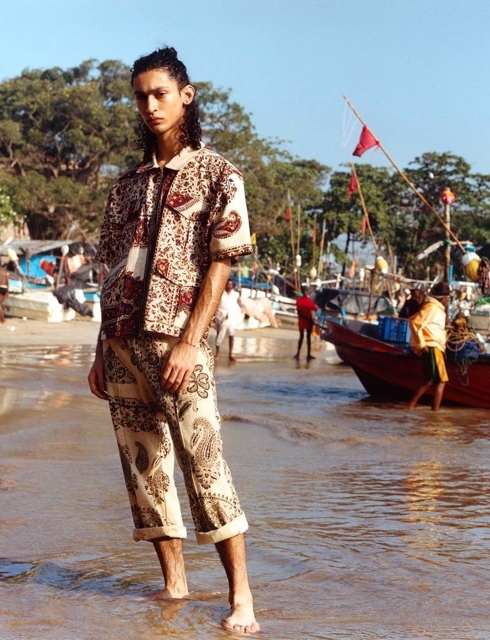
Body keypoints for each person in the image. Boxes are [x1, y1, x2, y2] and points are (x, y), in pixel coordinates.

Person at [86, 47, 259, 634]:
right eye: (141, 96)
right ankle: (176, 584)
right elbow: (110, 269)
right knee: (145, 470)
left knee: (205, 465)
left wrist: (191, 341)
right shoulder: (126, 186)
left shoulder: (217, 173)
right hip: (121, 347)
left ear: (185, 94)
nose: (150, 105)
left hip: (177, 345)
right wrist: (98, 349)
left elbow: (221, 264)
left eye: (160, 93)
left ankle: (242, 600)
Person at [406, 281, 450, 411]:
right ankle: (434, 413)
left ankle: (410, 407)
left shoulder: (435, 309)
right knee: (439, 381)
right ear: (443, 298)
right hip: (433, 347)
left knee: (429, 380)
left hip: (436, 347)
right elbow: (414, 323)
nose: (448, 301)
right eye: (447, 298)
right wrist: (421, 344)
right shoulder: (432, 308)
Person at [214, 279, 241, 363]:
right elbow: (216, 304)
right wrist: (214, 316)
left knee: (231, 335)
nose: (229, 286)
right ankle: (217, 353)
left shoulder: (235, 294)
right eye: (227, 284)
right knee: (219, 335)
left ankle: (230, 354)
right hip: (221, 316)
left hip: (231, 317)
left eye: (231, 284)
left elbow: (238, 304)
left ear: (233, 286)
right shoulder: (221, 293)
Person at [294, 286, 318, 360]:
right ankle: (298, 353)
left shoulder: (309, 300)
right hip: (304, 320)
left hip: (308, 321)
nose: (305, 292)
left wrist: (313, 317)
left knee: (308, 338)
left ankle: (308, 354)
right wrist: (309, 318)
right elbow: (299, 313)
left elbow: (316, 308)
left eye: (306, 291)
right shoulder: (299, 300)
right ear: (302, 291)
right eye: (304, 291)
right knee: (301, 337)